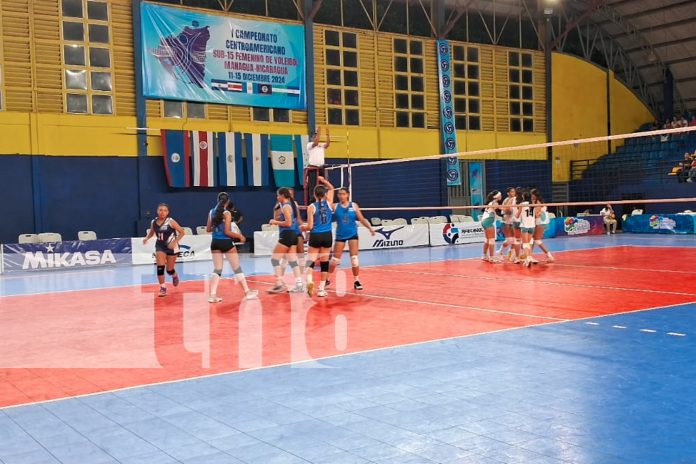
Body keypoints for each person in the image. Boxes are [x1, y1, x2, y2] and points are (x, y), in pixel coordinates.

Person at [206, 192, 258, 303]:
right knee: (237, 268)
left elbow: (208, 229)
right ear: (228, 201)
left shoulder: (211, 212)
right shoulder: (227, 213)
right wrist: (239, 236)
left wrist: (217, 227)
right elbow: (227, 232)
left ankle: (212, 295)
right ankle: (247, 292)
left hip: (215, 242)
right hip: (226, 243)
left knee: (217, 269)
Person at [327, 187, 375, 290]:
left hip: (353, 234)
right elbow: (326, 216)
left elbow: (361, 219)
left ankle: (356, 280)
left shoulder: (354, 205)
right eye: (339, 194)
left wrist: (370, 228)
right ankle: (327, 278)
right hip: (340, 235)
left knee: (354, 259)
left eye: (343, 194)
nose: (341, 196)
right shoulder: (335, 206)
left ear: (347, 195)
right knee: (335, 260)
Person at [301, 177, 335, 297]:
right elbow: (332, 188)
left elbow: (310, 226)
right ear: (325, 194)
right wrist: (324, 180)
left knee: (310, 261)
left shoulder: (312, 207)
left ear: (314, 195)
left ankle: (310, 281)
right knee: (324, 263)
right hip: (327, 236)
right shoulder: (329, 203)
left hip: (316, 235)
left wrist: (302, 228)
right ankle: (321, 289)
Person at [143, 203, 184, 297]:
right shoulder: (153, 222)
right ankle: (163, 288)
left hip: (172, 247)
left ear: (168, 212)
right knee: (160, 267)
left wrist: (175, 242)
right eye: (160, 210)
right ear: (157, 211)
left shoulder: (170, 221)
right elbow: (151, 233)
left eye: (165, 210)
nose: (162, 212)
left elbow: (182, 232)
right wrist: (146, 238)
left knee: (169, 269)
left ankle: (174, 275)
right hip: (160, 246)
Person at [268, 188, 304, 294]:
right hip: (292, 234)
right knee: (292, 261)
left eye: (278, 195)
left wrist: (275, 222)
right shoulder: (289, 205)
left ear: (283, 196)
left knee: (274, 259)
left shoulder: (286, 206)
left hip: (287, 235)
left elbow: (288, 223)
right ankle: (299, 284)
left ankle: (279, 284)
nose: (277, 197)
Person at [305, 127, 330, 203]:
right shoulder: (309, 145)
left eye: (317, 136)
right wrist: (318, 132)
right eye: (315, 136)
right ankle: (312, 201)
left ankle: (323, 199)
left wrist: (327, 134)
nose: (317, 138)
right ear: (312, 138)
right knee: (313, 186)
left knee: (323, 185)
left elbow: (327, 144)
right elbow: (316, 142)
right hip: (313, 169)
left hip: (321, 168)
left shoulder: (321, 145)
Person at [531, 189, 554, 262]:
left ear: (535, 195)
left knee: (537, 240)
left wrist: (527, 217)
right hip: (541, 222)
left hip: (540, 223)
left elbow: (537, 215)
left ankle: (549, 256)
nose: (531, 196)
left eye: (532, 195)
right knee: (533, 239)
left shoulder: (538, 202)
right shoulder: (536, 202)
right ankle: (529, 255)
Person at [481, 190, 501, 262]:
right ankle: (492, 257)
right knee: (492, 240)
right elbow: (499, 211)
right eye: (500, 195)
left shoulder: (490, 202)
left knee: (487, 240)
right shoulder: (494, 202)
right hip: (488, 221)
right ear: (497, 196)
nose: (501, 196)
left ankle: (484, 255)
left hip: (484, 221)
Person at [496, 187, 516, 261]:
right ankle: (500, 252)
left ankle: (512, 254)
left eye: (514, 192)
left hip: (512, 221)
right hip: (506, 221)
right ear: (508, 193)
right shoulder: (506, 200)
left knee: (514, 240)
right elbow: (506, 211)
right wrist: (510, 211)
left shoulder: (515, 199)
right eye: (512, 192)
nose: (513, 193)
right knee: (509, 240)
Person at [517, 191, 536, 267]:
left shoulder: (522, 204)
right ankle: (530, 257)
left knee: (525, 243)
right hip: (532, 226)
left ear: (523, 197)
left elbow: (517, 216)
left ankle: (528, 259)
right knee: (529, 242)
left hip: (525, 225)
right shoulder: (533, 204)